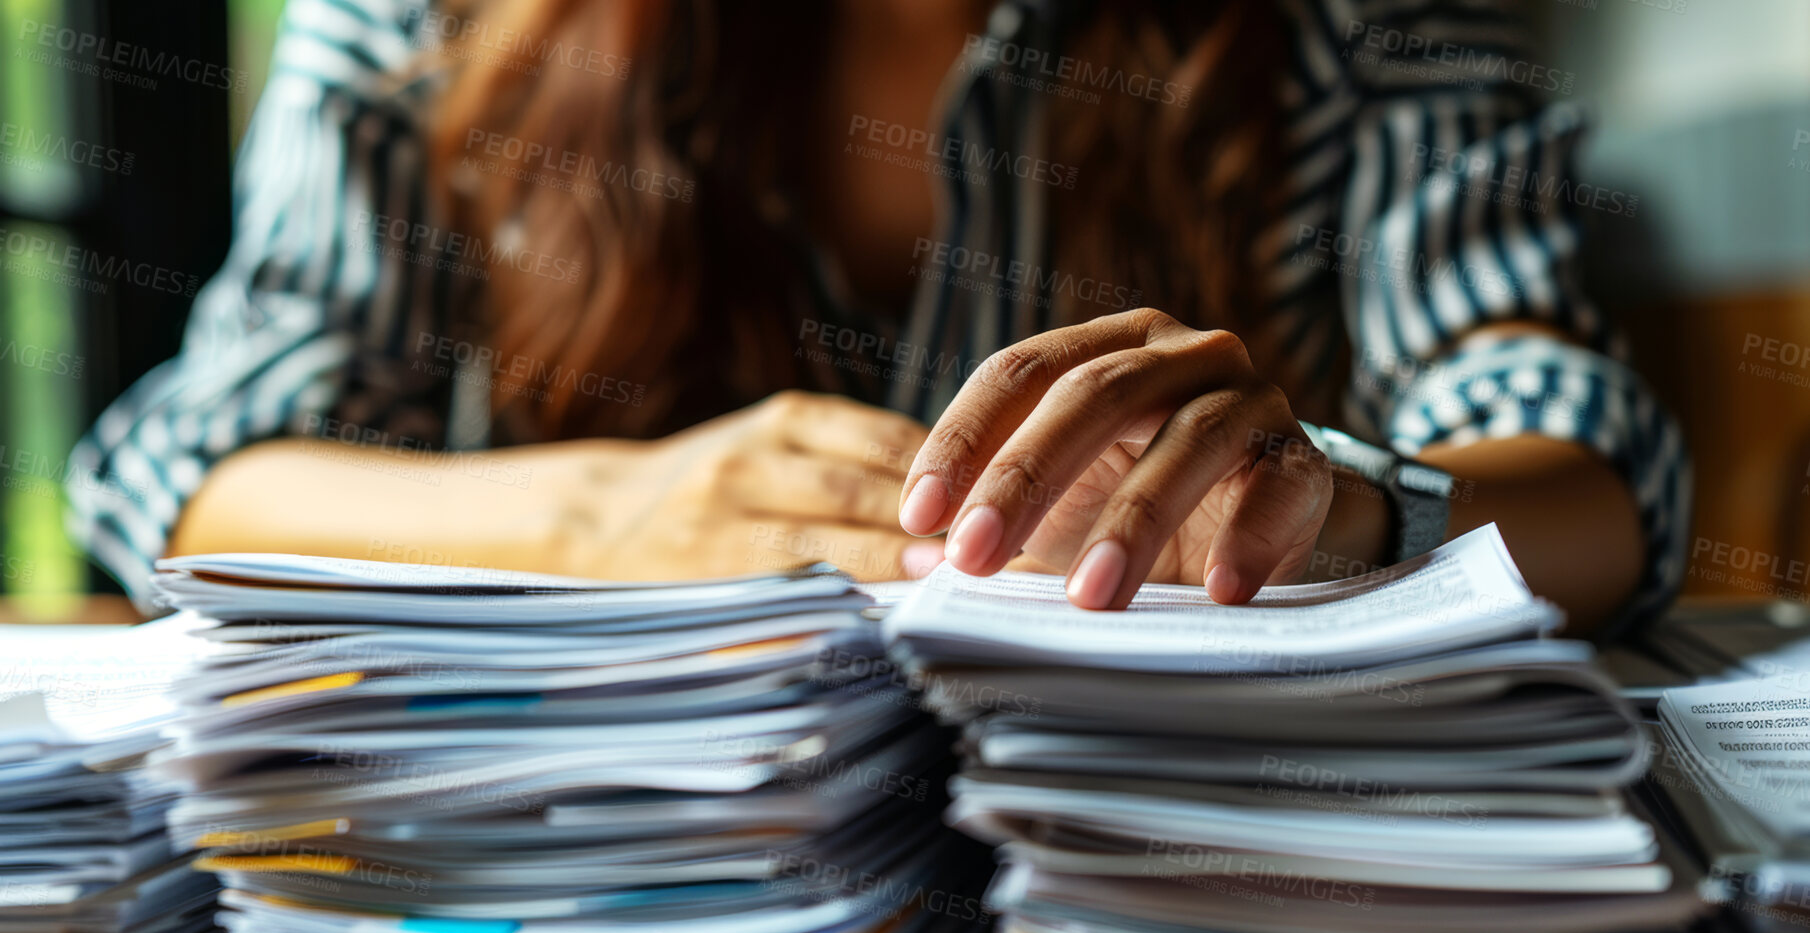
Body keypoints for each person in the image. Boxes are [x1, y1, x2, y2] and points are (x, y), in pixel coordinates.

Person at [66, 0, 1686, 637]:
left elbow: (1599, 491)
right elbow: (185, 470)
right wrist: (597, 510)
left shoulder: (1365, 36)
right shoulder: (424, 30)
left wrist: (1352, 508)